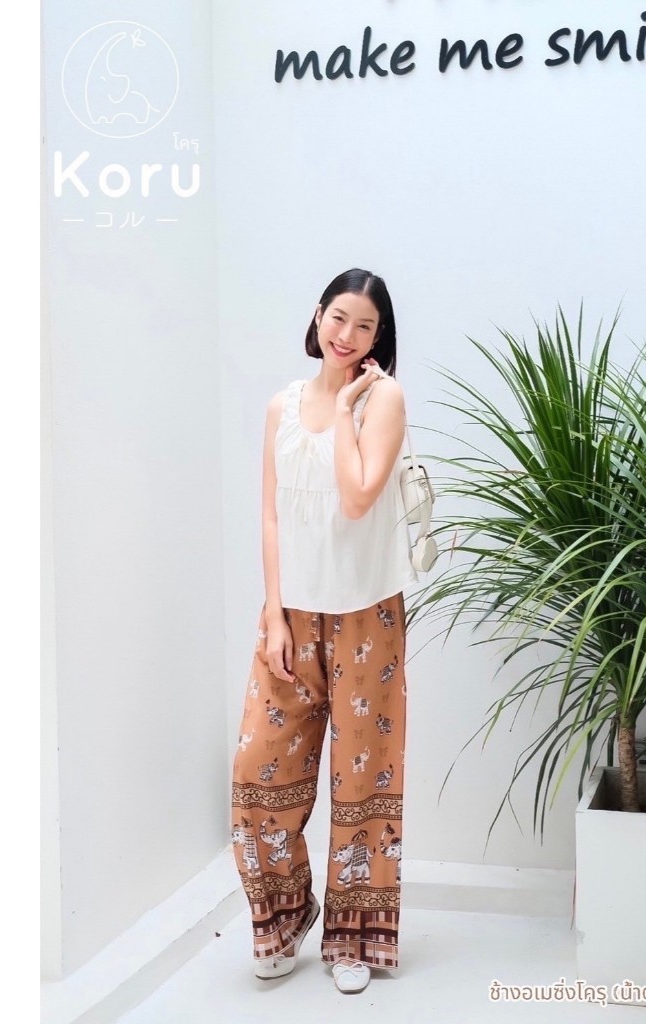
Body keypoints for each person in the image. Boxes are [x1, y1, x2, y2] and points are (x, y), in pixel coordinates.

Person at [230, 268, 416, 995]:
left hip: (366, 610)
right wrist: (274, 612)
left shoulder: (383, 399)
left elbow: (359, 496)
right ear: (317, 316)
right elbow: (271, 513)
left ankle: (354, 936)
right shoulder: (279, 406)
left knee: (364, 779)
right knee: (259, 772)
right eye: (339, 317)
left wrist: (344, 409)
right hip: (293, 616)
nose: (348, 335)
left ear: (379, 338)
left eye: (365, 326)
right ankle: (283, 920)